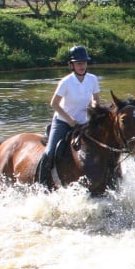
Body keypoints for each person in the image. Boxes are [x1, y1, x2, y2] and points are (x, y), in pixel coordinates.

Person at [37, 45, 101, 187]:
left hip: (84, 123)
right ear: (71, 65)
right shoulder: (66, 82)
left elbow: (96, 98)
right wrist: (69, 120)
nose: (82, 66)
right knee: (49, 152)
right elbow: (54, 103)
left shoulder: (92, 79)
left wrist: (95, 107)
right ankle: (41, 185)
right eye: (78, 63)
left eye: (84, 63)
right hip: (63, 121)